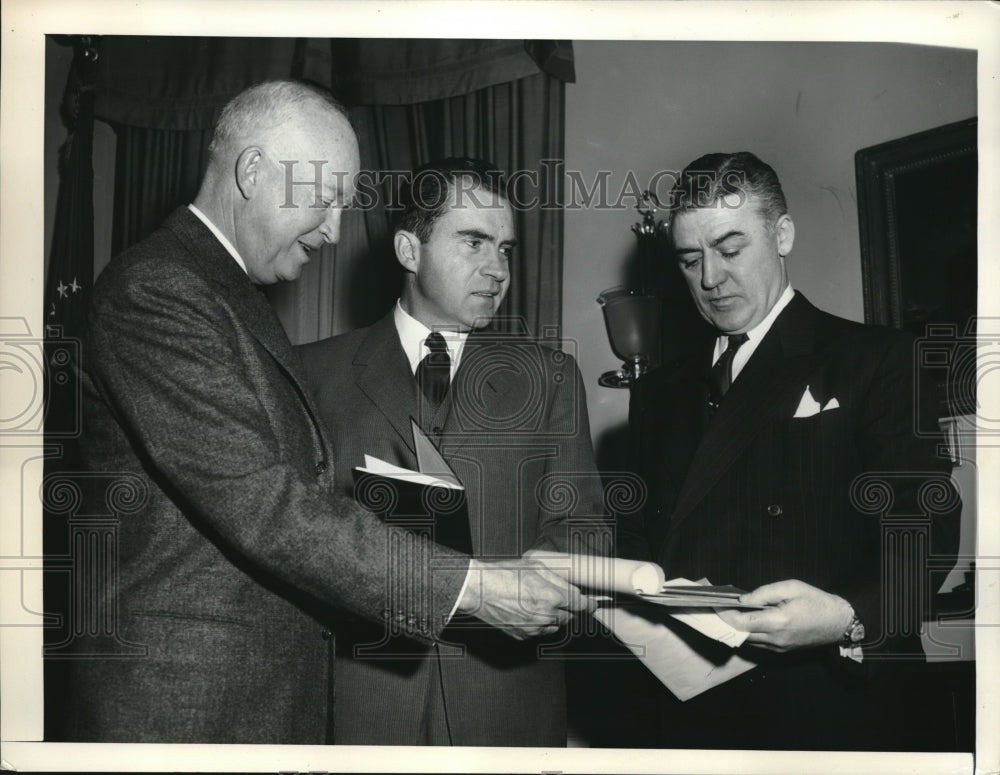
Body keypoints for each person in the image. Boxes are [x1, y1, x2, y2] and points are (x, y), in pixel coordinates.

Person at [61, 82, 589, 744]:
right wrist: (474, 587)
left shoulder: (225, 294)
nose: (336, 230)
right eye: (325, 197)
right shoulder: (160, 290)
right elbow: (268, 506)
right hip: (189, 705)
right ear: (253, 171)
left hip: (256, 699)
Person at [629, 151, 962, 750]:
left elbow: (925, 522)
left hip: (831, 706)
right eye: (690, 259)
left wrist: (847, 614)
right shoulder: (656, 393)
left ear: (782, 235)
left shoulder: (877, 358)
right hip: (692, 711)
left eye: (730, 249)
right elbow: (640, 536)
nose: (710, 278)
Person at [296, 158, 607, 746]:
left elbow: (584, 528)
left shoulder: (550, 377)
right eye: (474, 242)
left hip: (506, 706)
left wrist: (544, 581)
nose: (498, 269)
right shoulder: (311, 374)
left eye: (506, 249)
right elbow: (293, 540)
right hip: (361, 706)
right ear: (409, 250)